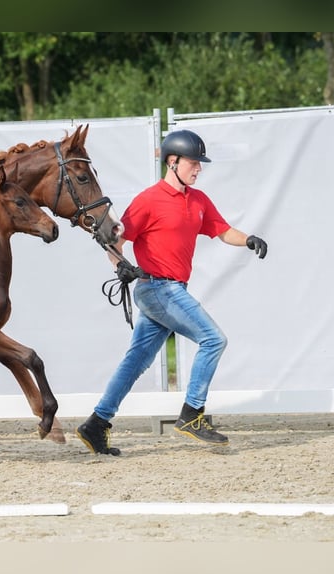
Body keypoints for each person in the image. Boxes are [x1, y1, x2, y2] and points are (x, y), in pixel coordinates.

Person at [77, 129, 268, 454]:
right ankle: (192, 414)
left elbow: (222, 231)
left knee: (136, 361)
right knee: (213, 339)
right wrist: (119, 265)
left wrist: (248, 239)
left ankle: (96, 424)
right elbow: (115, 241)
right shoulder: (148, 201)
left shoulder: (199, 201)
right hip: (156, 288)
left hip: (171, 289)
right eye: (194, 162)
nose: (199, 168)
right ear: (173, 161)